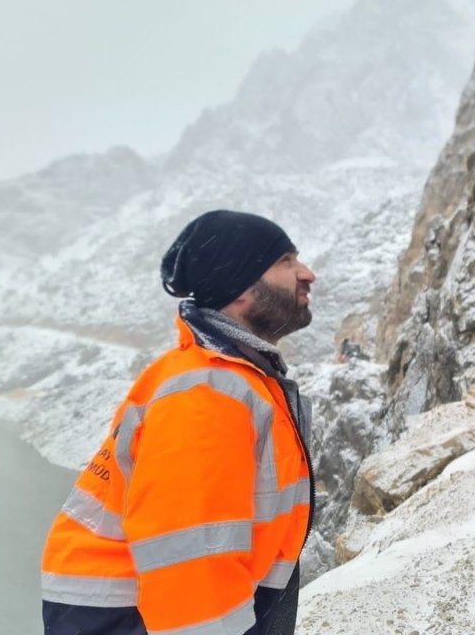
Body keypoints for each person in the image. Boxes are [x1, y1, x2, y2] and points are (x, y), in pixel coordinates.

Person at [41, 210, 318, 635]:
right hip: (131, 620)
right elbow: (191, 569)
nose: (307, 273)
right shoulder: (208, 393)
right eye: (286, 261)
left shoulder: (237, 379)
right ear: (241, 289)